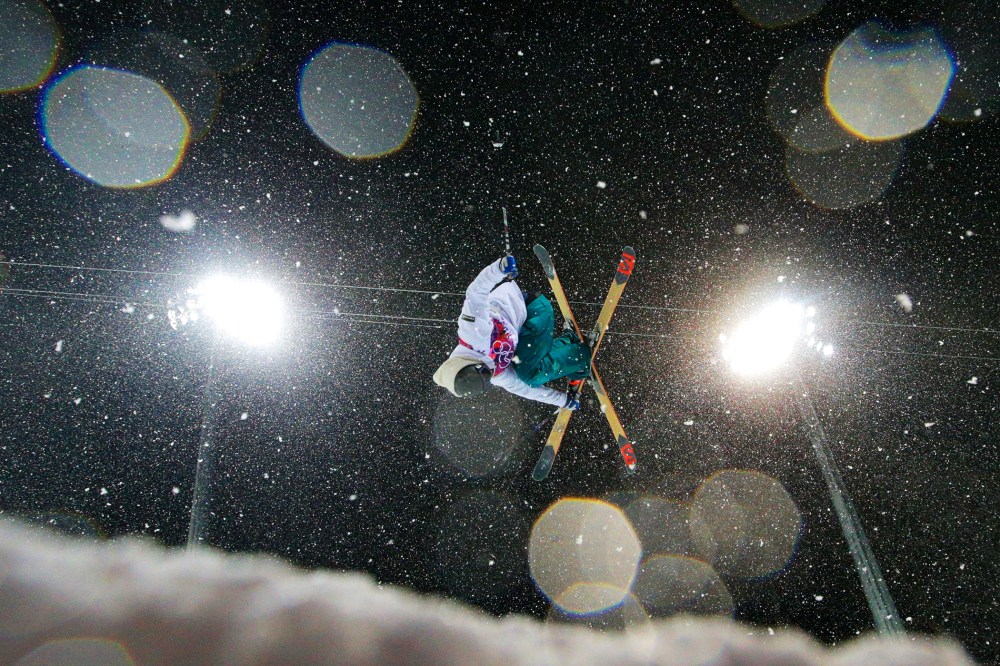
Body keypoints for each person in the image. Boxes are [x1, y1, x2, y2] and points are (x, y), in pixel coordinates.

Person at [432, 255, 591, 409]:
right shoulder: (496, 373)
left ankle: (580, 357)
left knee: (530, 373)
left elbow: (475, 293)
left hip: (534, 309)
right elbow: (524, 389)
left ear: (467, 366)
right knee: (524, 369)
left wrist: (499, 269)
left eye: (482, 373)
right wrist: (562, 401)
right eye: (486, 380)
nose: (489, 374)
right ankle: (569, 343)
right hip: (528, 330)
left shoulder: (472, 336)